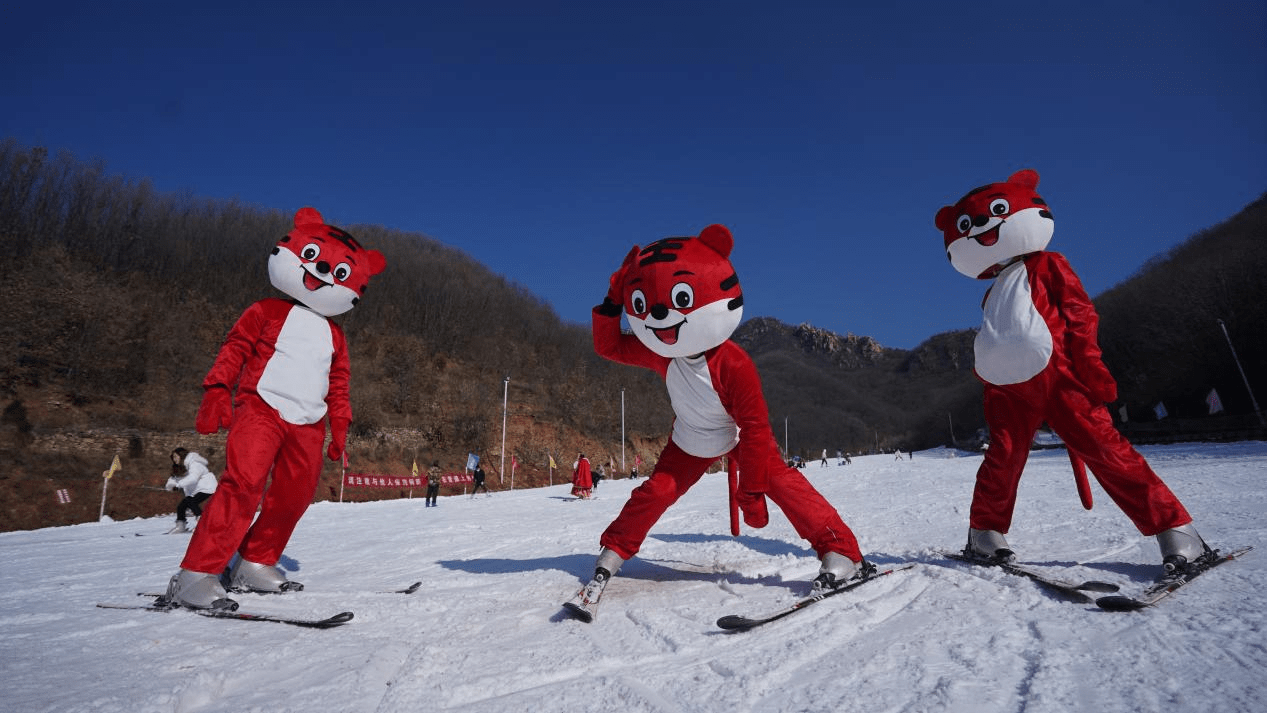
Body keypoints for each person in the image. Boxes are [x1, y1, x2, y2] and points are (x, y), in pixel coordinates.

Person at [571, 225, 869, 617]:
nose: (662, 315)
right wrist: (613, 301)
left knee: (784, 482)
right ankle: (613, 552)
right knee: (656, 492)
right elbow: (608, 346)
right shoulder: (664, 354)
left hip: (738, 436)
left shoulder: (734, 364)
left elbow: (757, 428)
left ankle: (842, 551)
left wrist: (751, 490)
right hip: (689, 441)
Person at [935, 169, 1207, 576]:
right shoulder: (992, 292)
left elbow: (1080, 314)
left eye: (992, 215)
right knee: (1003, 457)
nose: (982, 228)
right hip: (1006, 389)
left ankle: (1176, 529)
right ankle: (985, 531)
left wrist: (1090, 364)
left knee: (1105, 448)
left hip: (1059, 376)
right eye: (968, 226)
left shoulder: (1048, 264)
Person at [163, 207, 386, 611]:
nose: (321, 274)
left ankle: (255, 561)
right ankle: (195, 574)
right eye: (316, 260)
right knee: (242, 485)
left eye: (338, 273)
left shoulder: (336, 336)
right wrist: (217, 387)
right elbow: (236, 348)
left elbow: (339, 384)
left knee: (294, 495)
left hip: (309, 423)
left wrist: (339, 426)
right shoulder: (266, 311)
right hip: (261, 408)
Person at [164, 448, 217, 534]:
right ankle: (180, 526)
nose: (174, 459)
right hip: (195, 489)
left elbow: (193, 478)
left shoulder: (195, 463)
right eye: (173, 457)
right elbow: (174, 478)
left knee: (191, 502)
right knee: (181, 506)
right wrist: (170, 486)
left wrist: (178, 485)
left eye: (176, 456)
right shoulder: (180, 466)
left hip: (207, 486)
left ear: (181, 455)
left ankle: (202, 524)